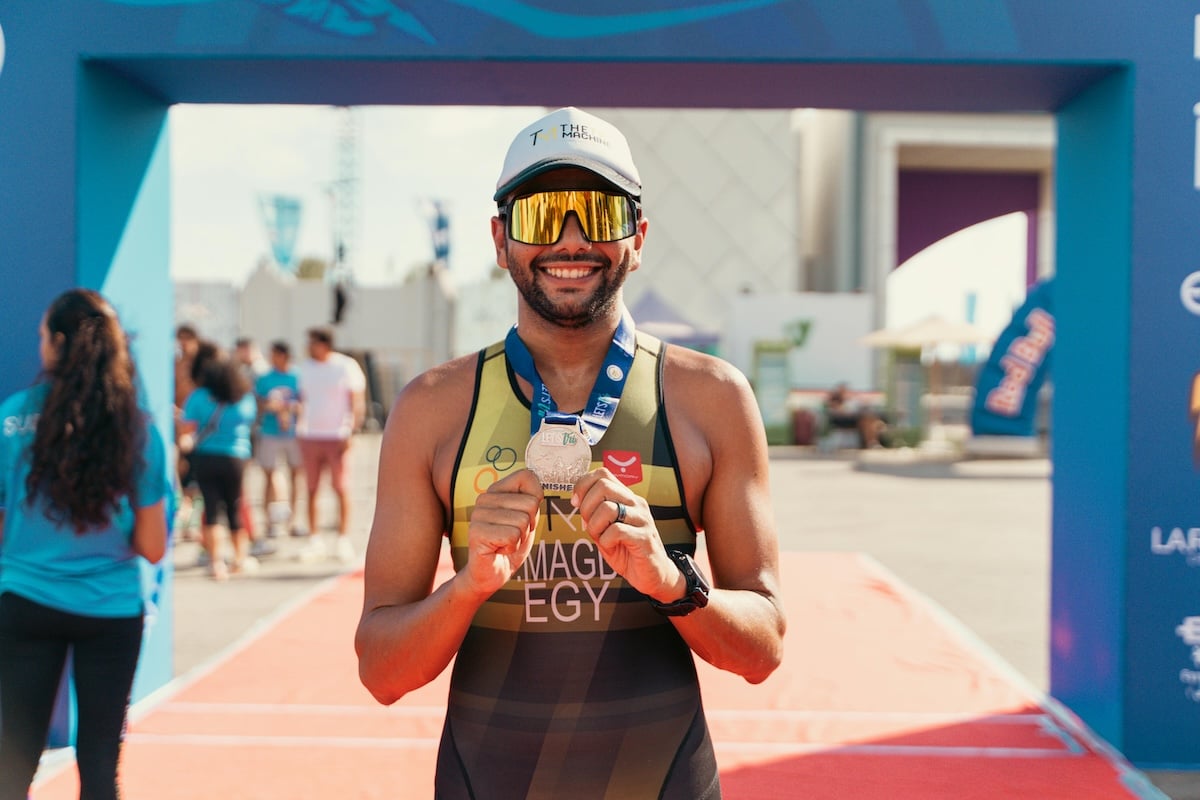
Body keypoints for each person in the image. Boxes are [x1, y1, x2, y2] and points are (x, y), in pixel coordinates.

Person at [355, 107, 786, 799]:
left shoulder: (710, 399)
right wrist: (468, 587)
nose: (571, 240)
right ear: (500, 239)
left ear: (637, 237)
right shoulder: (431, 409)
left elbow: (763, 649)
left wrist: (673, 581)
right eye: (541, 214)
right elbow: (382, 672)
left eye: (597, 211)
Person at [0, 288, 169, 800]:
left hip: (25, 603)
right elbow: (154, 546)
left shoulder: (10, 419)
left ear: (56, 342)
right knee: (99, 765)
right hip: (111, 610)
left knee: (12, 765)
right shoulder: (138, 431)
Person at [179, 347, 258, 580]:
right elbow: (250, 420)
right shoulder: (244, 397)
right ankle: (239, 558)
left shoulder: (198, 397)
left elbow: (187, 429)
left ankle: (215, 563)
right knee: (234, 507)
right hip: (236, 457)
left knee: (211, 509)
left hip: (206, 456)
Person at [296, 326, 365, 562]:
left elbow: (357, 400)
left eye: (312, 342)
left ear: (323, 344)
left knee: (341, 488)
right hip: (310, 436)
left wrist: (351, 430)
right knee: (312, 489)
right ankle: (314, 539)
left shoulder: (346, 366)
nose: (308, 346)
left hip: (337, 436)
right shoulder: (305, 368)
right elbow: (301, 399)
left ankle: (342, 539)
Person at [254, 340, 303, 537]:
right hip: (269, 432)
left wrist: (289, 409)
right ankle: (268, 522)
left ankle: (294, 521)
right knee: (269, 476)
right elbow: (257, 403)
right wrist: (269, 406)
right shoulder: (264, 379)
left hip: (294, 433)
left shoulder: (298, 376)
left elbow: (305, 402)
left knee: (296, 477)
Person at [824, 381, 885, 448]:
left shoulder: (850, 401)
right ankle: (872, 442)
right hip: (843, 421)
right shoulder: (835, 401)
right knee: (867, 420)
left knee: (869, 419)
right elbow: (839, 412)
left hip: (854, 418)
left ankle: (873, 441)